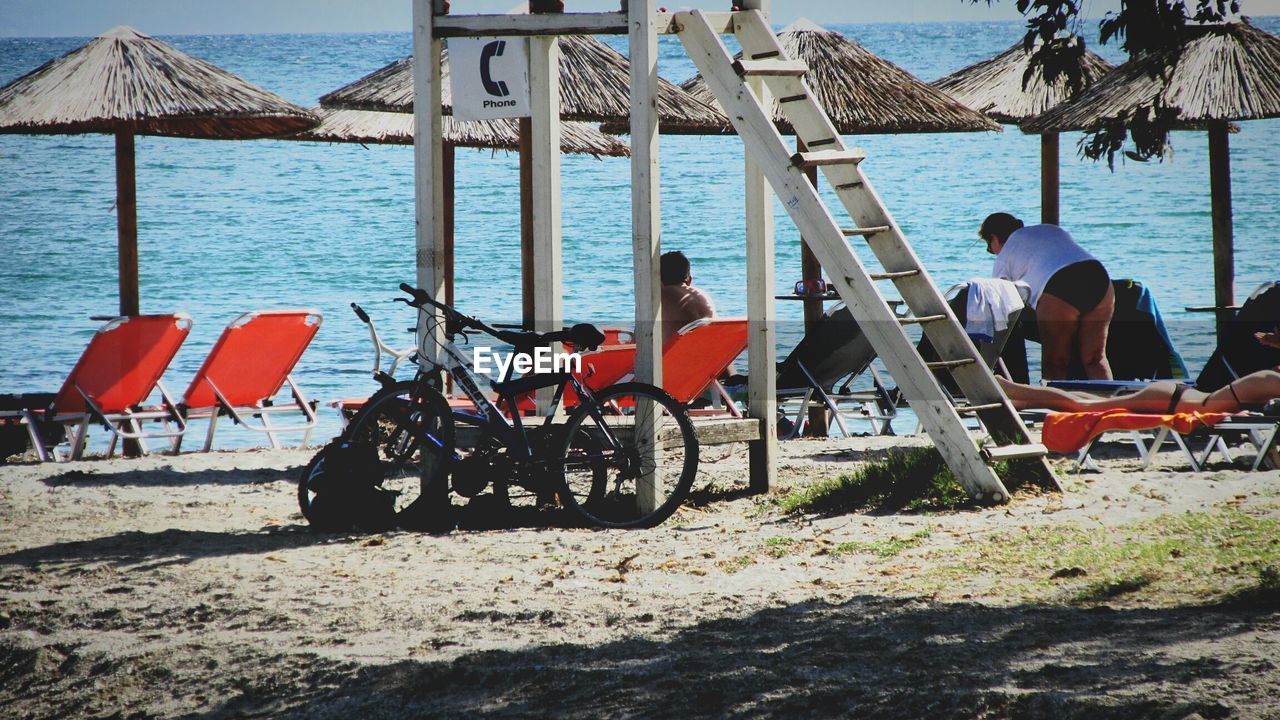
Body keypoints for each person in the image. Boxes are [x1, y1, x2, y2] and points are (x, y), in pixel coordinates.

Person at [979, 212, 1115, 381]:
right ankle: (1112, 401)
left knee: (1056, 362)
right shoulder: (1049, 229)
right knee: (1095, 358)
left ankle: (1055, 404)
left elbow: (1001, 303)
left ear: (994, 238)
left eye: (989, 246)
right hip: (1099, 277)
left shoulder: (1005, 255)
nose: (992, 252)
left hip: (1060, 284)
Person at [660, 250, 715, 344]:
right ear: (689, 280)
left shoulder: (661, 295)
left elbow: (639, 342)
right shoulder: (704, 295)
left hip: (672, 356)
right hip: (708, 354)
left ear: (658, 279)